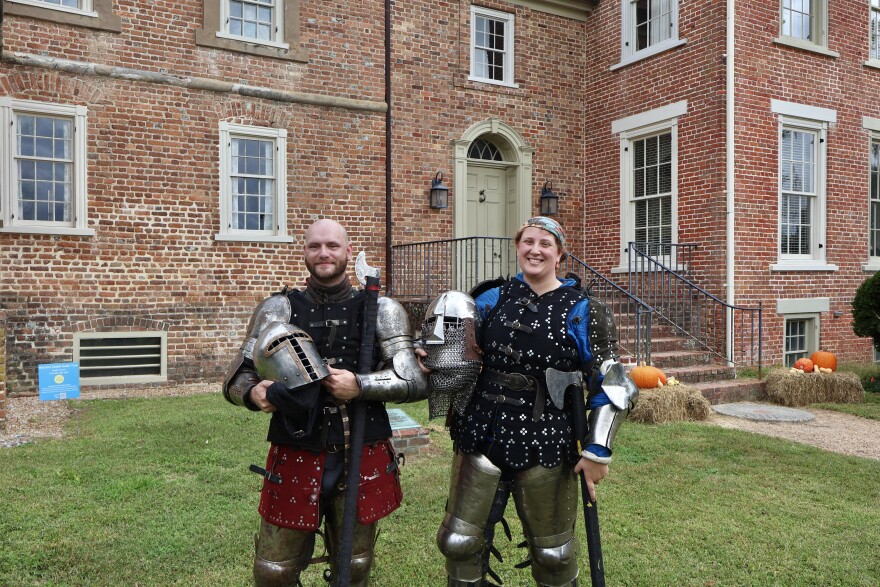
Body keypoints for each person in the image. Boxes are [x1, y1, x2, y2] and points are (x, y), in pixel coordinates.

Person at [223, 219, 428, 587]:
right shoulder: (277, 309)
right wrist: (255, 395)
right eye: (315, 246)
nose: (323, 254)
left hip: (361, 448)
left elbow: (413, 380)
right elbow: (236, 379)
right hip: (296, 447)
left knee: (356, 564)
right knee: (273, 570)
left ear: (348, 252)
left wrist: (360, 385)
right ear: (304, 251)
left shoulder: (381, 310)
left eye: (332, 246)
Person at [434, 216, 638, 587]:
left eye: (545, 243)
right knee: (458, 543)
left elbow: (614, 382)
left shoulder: (584, 310)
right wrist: (432, 355)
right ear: (517, 247)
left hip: (548, 438)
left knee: (554, 555)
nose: (535, 250)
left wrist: (597, 451)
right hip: (483, 430)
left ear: (559, 253)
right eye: (528, 242)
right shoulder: (490, 298)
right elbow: (455, 357)